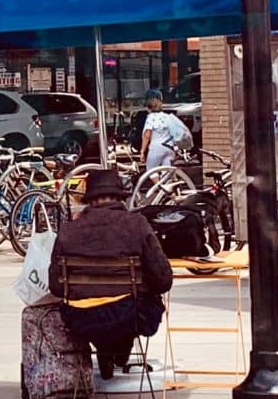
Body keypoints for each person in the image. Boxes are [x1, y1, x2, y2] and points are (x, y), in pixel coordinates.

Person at [50, 167, 172, 376]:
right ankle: (118, 348)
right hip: (130, 313)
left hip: (80, 317)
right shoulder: (137, 224)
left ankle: (106, 348)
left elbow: (56, 286)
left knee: (105, 312)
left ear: (90, 199)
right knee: (136, 305)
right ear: (119, 197)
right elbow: (163, 280)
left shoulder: (68, 230)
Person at [139, 93, 192, 173]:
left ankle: (158, 185)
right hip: (169, 148)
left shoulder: (150, 118)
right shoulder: (168, 117)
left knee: (151, 171)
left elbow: (147, 135)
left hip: (156, 148)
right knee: (166, 172)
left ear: (149, 108)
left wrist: (142, 151)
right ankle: (166, 185)